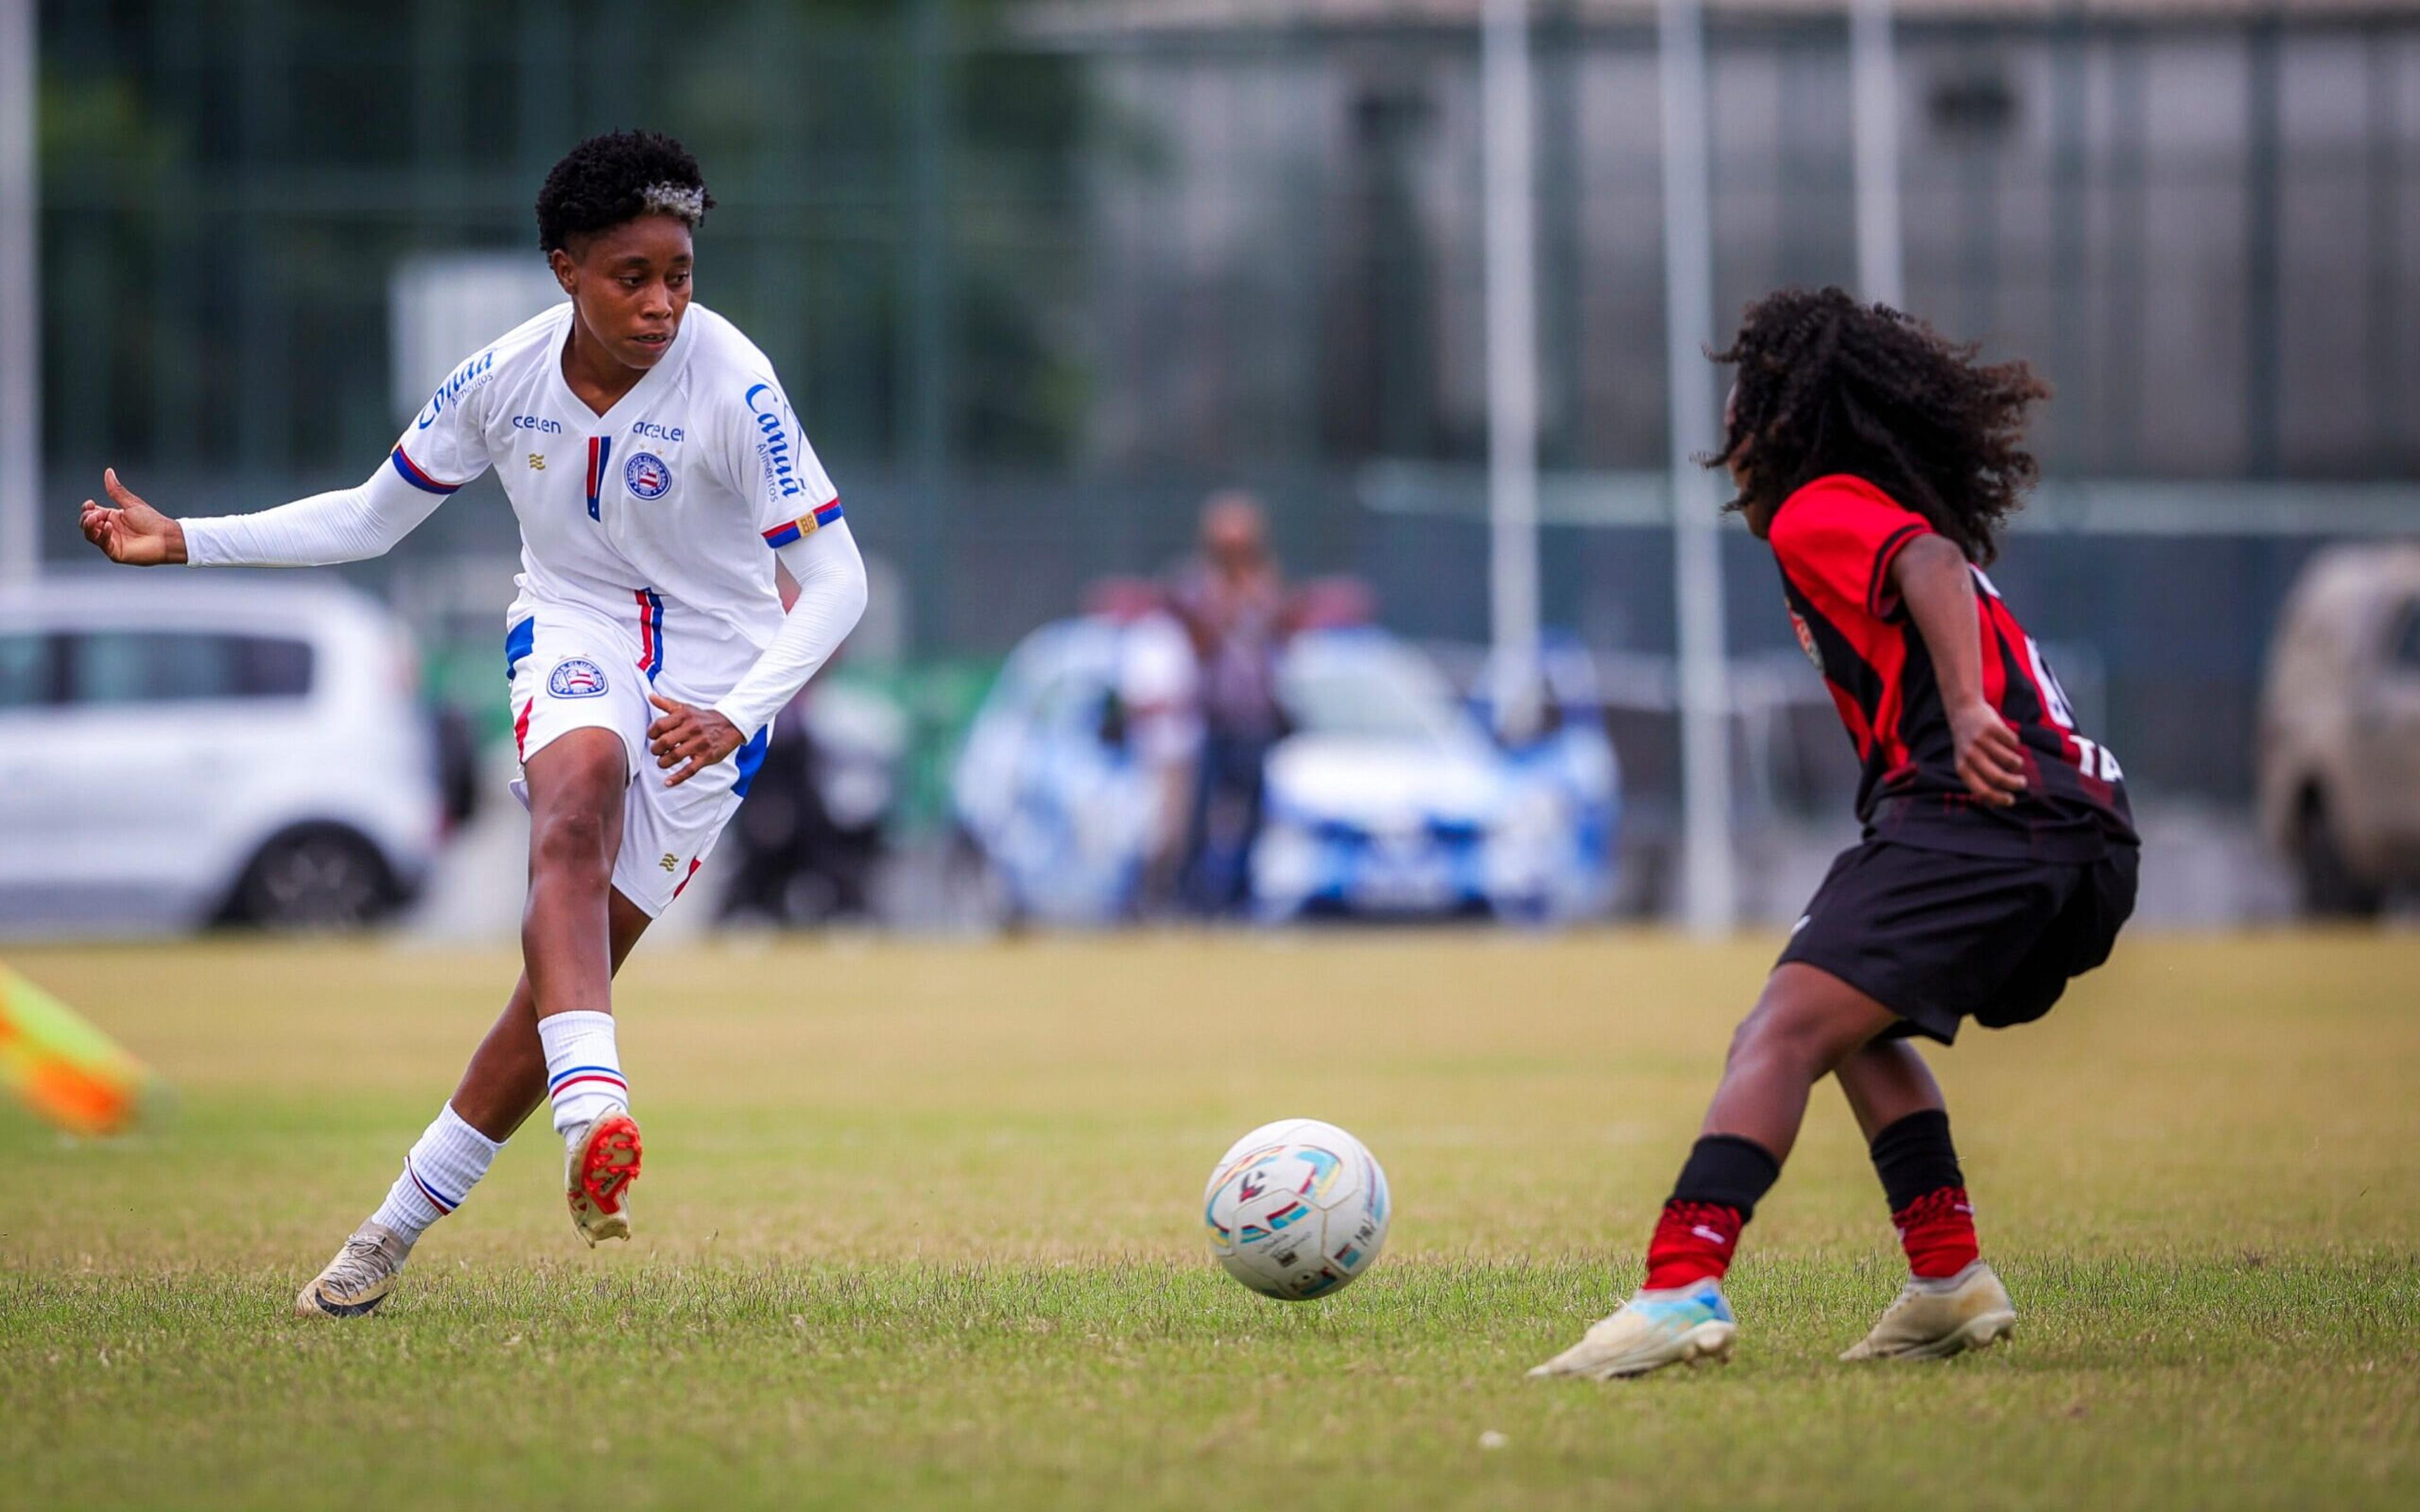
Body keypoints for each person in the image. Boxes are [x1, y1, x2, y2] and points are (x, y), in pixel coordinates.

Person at [76, 130, 869, 1317]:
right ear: (565, 270)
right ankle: (598, 1110)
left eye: (681, 276)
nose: (663, 305)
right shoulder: (501, 377)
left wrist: (739, 711)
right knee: (573, 801)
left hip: (721, 674)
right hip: (573, 625)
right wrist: (187, 535)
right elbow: (366, 519)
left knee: (555, 986)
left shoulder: (737, 382)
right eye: (633, 277)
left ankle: (388, 1231)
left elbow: (840, 580)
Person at [1530, 287, 2138, 1380]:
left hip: (1988, 808)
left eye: (1739, 402)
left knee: (1779, 1032)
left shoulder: (1820, 504)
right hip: (2073, 832)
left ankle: (1681, 1285)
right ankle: (1950, 1278)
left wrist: (1964, 711)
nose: (1725, 429)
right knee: (1855, 1022)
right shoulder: (1841, 506)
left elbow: (1931, 565)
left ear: (1780, 414)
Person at [1168, 492, 1290, 914]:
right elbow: (1199, 644)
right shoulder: (1199, 586)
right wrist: (1224, 603)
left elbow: (1281, 639)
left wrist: (1257, 599)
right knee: (1200, 818)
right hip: (1213, 720)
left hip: (1255, 722)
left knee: (1254, 818)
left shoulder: (1267, 585)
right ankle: (1190, 902)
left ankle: (1238, 900)